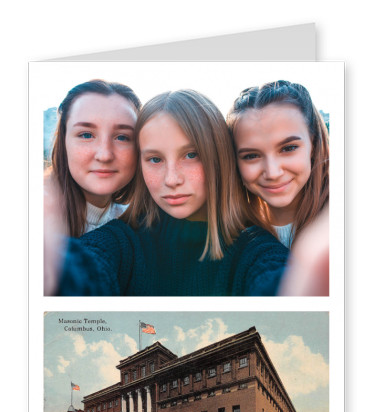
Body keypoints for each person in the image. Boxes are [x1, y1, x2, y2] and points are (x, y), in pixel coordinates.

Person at [47, 89, 289, 296]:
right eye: (155, 159)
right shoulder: (122, 241)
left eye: (191, 155)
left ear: (218, 157)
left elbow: (279, 282)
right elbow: (84, 267)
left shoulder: (257, 251)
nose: (171, 179)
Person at [227, 80, 329, 249]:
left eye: (288, 148)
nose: (273, 172)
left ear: (314, 144)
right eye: (251, 155)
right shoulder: (232, 237)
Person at [47, 79, 141, 237]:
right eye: (86, 135)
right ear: (64, 142)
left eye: (122, 137)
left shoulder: (141, 226)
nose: (104, 155)